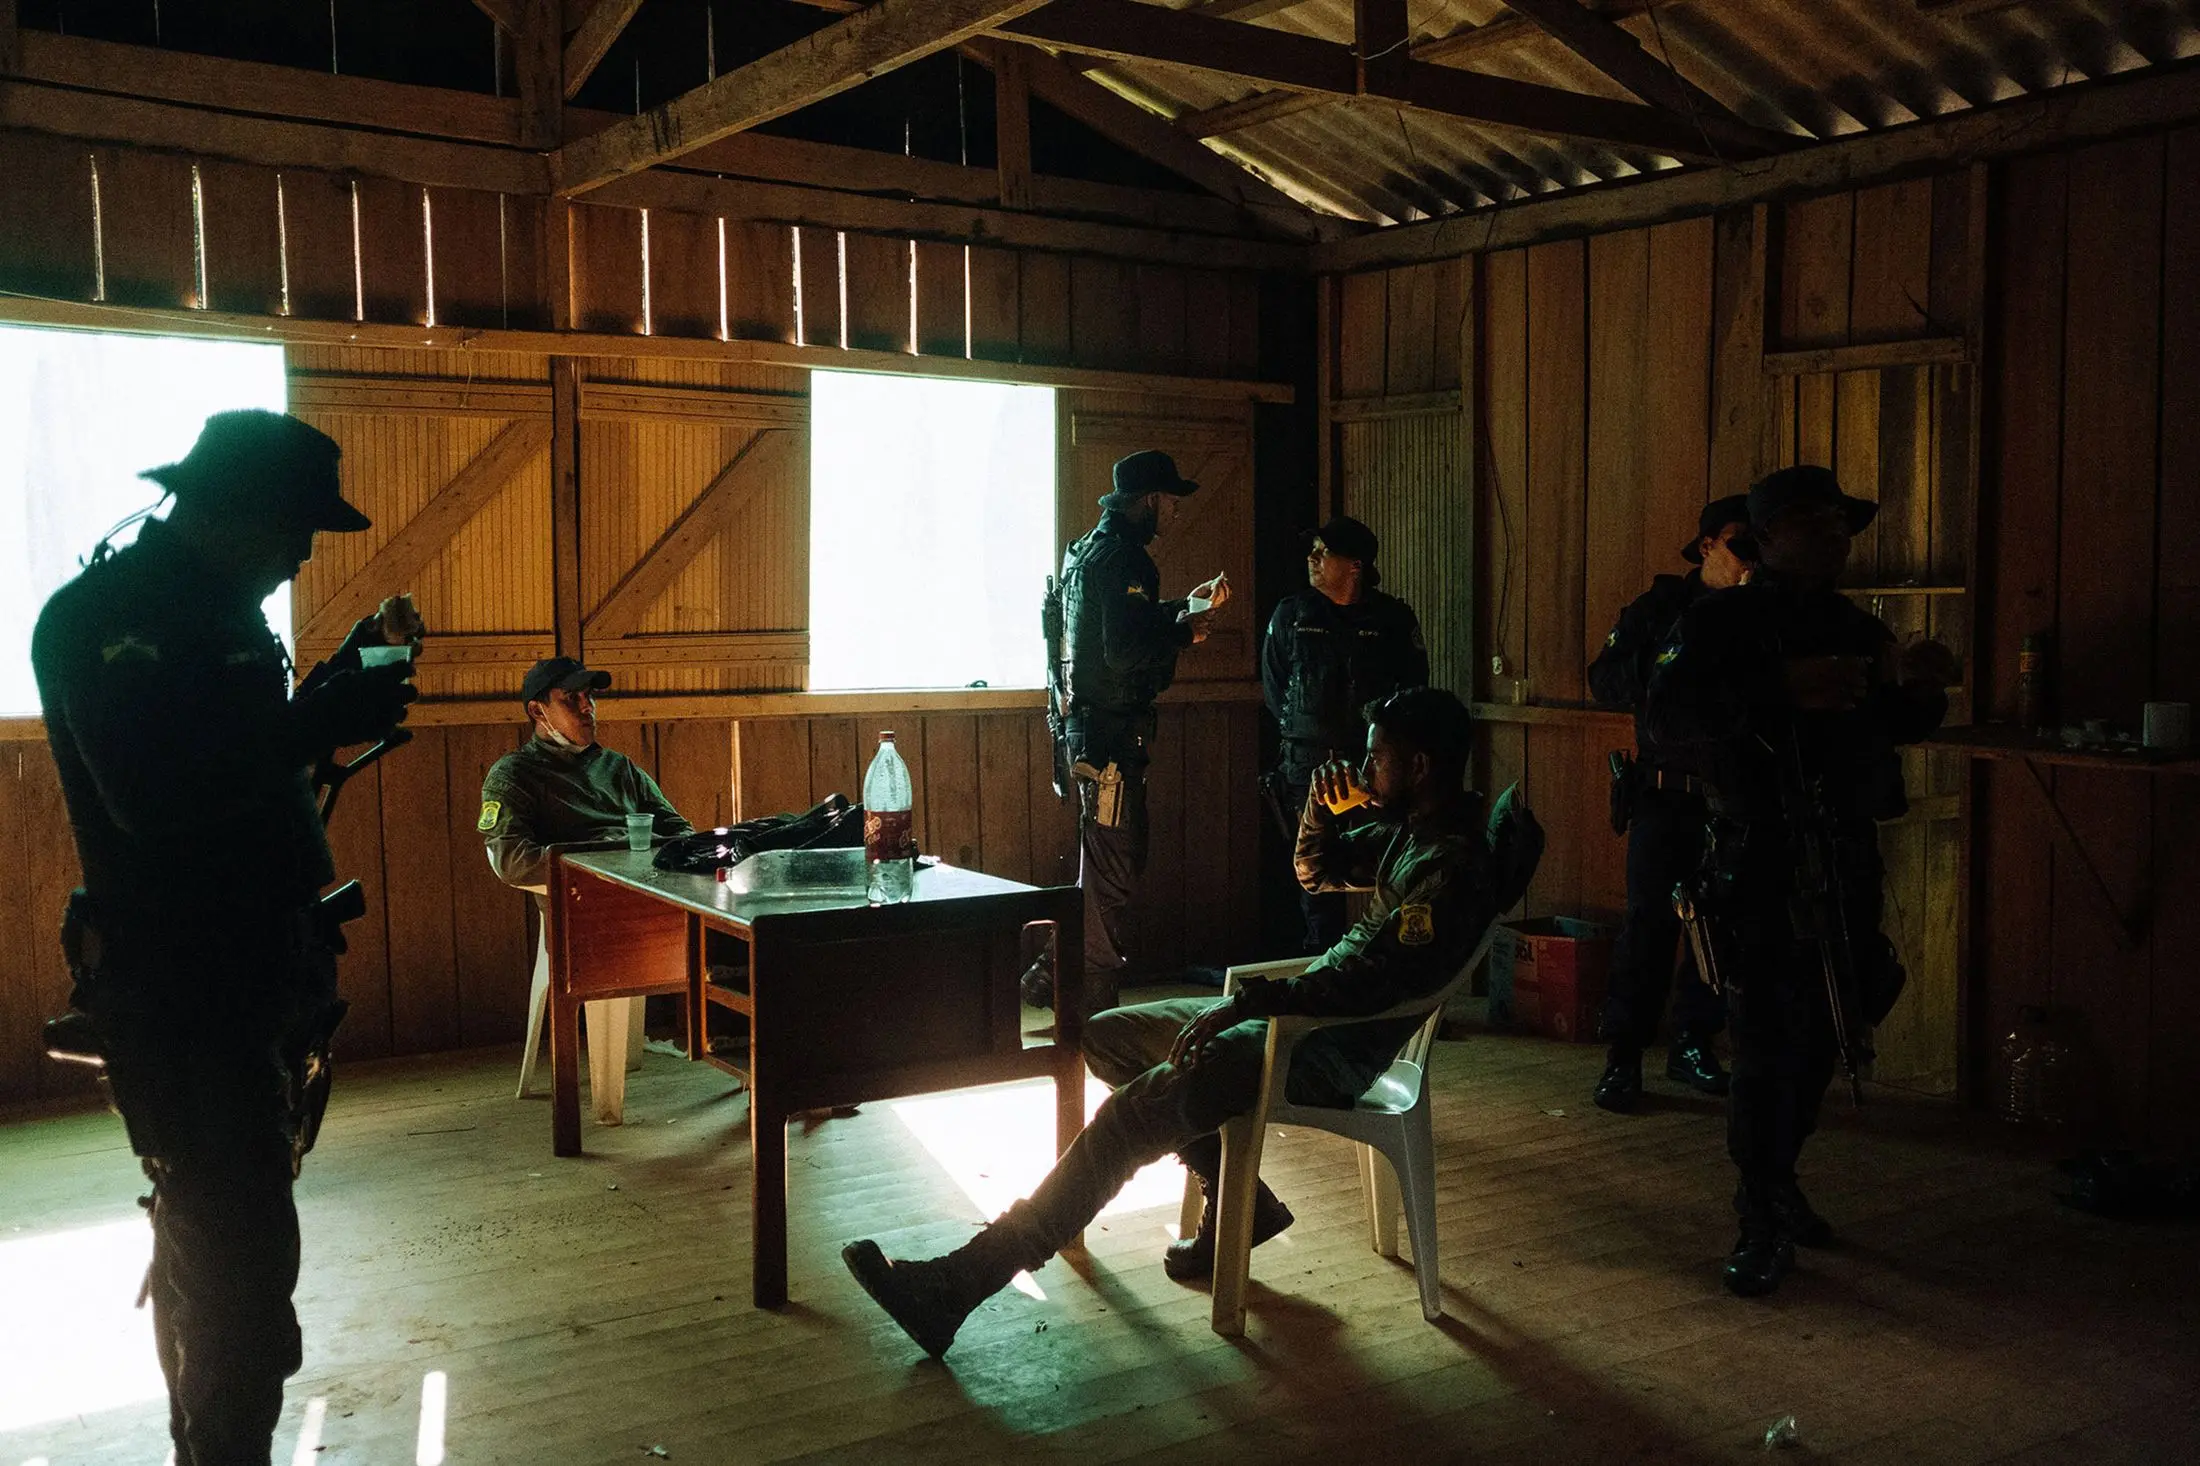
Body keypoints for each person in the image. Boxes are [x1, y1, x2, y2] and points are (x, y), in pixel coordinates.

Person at [841, 688, 1541, 1360]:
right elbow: (1315, 871)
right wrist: (1322, 813)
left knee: (1130, 1115)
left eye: (1377, 757)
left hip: (1325, 1047)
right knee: (1108, 1037)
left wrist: (1250, 1002)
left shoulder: (1450, 866)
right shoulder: (1411, 834)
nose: (1364, 770)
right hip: (1297, 1019)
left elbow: (1366, 984)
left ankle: (960, 1284)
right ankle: (1245, 1203)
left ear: (1419, 767)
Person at [31, 409, 418, 1463]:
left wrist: (324, 697)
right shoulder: (110, 616)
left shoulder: (213, 609)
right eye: (294, 526)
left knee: (217, 1242)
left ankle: (211, 1443)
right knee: (240, 1266)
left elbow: (238, 761)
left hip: (256, 970)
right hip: (186, 985)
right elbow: (153, 795)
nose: (302, 550)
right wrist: (309, 720)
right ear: (232, 511)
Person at [1646, 465, 1956, 1297]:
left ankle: (1783, 1176)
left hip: (1844, 851)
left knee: (1834, 1023)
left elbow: (1884, 728)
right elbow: (1664, 721)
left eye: (1840, 522)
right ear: (1766, 537)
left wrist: (1919, 688)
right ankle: (1758, 1204)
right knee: (1765, 1039)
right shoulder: (1717, 621)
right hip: (1760, 857)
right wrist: (1777, 690)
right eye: (1811, 520)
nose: (1833, 535)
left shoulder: (1856, 626)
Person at [1027, 449, 1226, 1014]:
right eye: (1171, 501)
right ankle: (1089, 1000)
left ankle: (1052, 970)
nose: (1176, 513)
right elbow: (1122, 651)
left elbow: (1103, 632)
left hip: (1083, 732)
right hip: (1110, 740)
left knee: (1111, 861)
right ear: (1148, 502)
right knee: (1115, 868)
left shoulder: (1086, 554)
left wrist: (1175, 614)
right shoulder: (1127, 562)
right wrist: (1184, 634)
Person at [1586, 494, 1753, 1113]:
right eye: (1740, 544)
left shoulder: (1758, 614)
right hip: (1666, 795)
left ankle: (1693, 1043)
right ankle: (1624, 1057)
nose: (1749, 560)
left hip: (1733, 797)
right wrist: (1669, 657)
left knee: (1721, 928)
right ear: (1707, 545)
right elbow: (1603, 679)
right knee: (1648, 928)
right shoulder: (1662, 609)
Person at [479, 657, 693, 1118]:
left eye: (589, 697)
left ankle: (769, 1074)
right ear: (538, 712)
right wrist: (599, 859)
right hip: (584, 912)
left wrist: (635, 849)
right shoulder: (514, 775)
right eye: (571, 699)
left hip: (654, 900)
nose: (587, 707)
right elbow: (512, 860)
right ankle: (605, 1103)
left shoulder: (619, 769)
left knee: (740, 928)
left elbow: (681, 833)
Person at [1262, 514, 1429, 953]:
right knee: (1316, 880)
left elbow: (1413, 695)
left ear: (1355, 565)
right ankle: (1321, 970)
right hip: (1309, 769)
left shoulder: (1392, 619)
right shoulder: (1291, 615)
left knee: (1389, 868)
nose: (1312, 559)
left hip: (1374, 767)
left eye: (1323, 552)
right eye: (1312, 551)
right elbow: (1276, 691)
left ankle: (1386, 970)